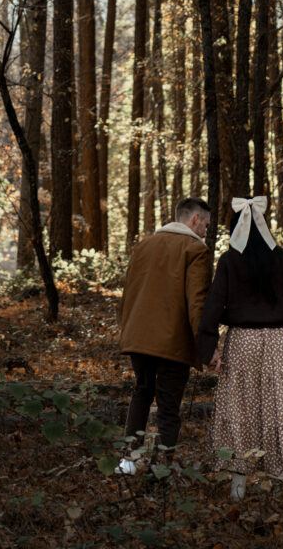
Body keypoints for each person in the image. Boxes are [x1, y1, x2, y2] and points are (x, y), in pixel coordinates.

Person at [197, 196, 283, 503]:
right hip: (279, 342)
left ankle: (238, 491)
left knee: (240, 410)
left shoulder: (229, 261)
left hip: (242, 343)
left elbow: (213, 306)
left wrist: (207, 349)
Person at [117, 196, 213, 472]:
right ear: (194, 219)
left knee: (142, 394)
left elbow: (129, 292)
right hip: (173, 342)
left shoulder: (144, 245)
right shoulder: (195, 250)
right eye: (205, 224)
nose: (206, 230)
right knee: (169, 407)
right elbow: (198, 303)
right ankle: (160, 470)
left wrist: (127, 330)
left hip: (138, 336)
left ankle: (127, 462)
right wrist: (206, 346)